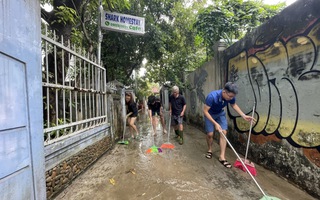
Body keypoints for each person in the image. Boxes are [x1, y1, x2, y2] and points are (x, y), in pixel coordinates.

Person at [203, 82, 255, 168]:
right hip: (209, 114)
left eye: (233, 97)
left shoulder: (231, 97)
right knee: (210, 134)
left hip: (220, 114)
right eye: (230, 96)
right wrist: (215, 123)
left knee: (224, 132)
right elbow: (205, 111)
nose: (231, 98)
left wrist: (243, 115)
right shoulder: (212, 96)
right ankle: (210, 150)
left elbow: (233, 105)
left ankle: (222, 157)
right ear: (224, 92)